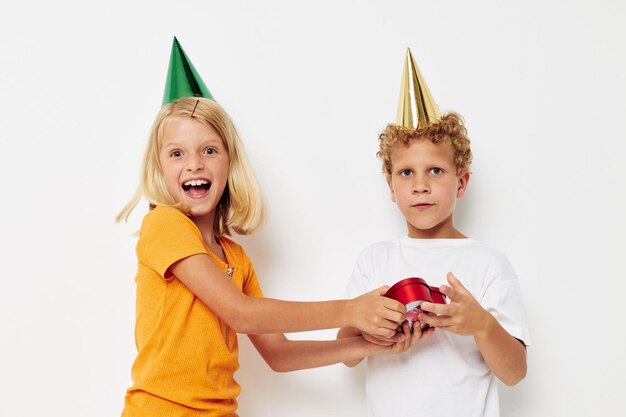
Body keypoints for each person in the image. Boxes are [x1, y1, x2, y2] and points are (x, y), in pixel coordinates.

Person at [117, 37, 414, 417]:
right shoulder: (163, 224)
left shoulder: (236, 259)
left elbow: (280, 354)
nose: (194, 164)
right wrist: (351, 311)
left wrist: (370, 346)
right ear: (160, 168)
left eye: (209, 150)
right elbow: (242, 313)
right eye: (177, 153)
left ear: (229, 163)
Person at [337, 48, 531, 417]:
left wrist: (481, 325)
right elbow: (346, 354)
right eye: (406, 173)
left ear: (462, 183)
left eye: (436, 171)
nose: (420, 185)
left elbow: (515, 372)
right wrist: (373, 327)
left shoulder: (488, 265)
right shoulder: (375, 260)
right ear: (391, 188)